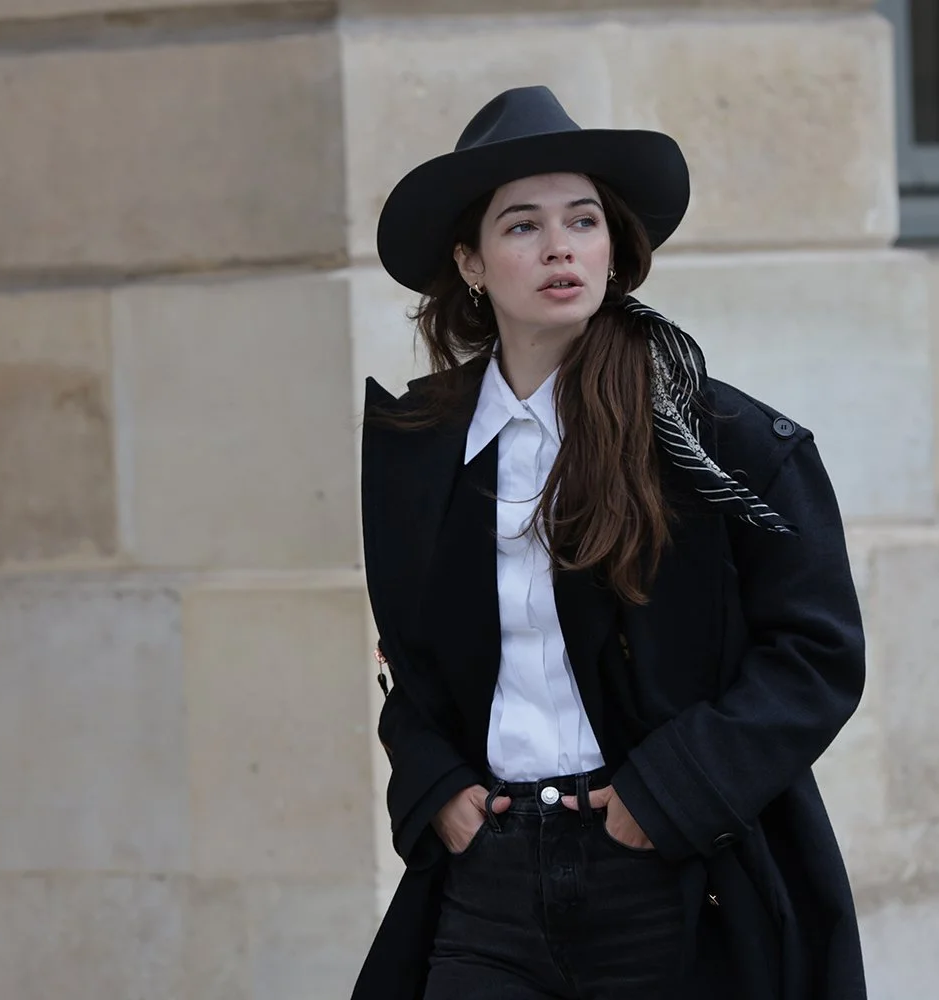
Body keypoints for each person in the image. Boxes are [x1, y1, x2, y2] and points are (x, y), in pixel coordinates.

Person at [353, 85, 867, 1000]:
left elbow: (817, 655)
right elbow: (409, 663)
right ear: (470, 261)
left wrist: (664, 797)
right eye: (522, 226)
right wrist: (437, 789)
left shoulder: (723, 444)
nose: (559, 246)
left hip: (671, 879)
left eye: (582, 220)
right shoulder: (417, 450)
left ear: (613, 248)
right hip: (488, 885)